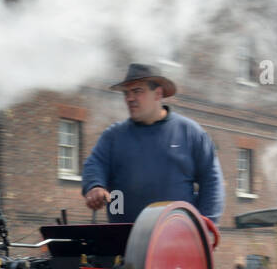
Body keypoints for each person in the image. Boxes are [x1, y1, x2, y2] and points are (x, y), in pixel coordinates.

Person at [82, 63, 225, 222]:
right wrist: (95, 186)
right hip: (123, 237)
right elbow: (94, 164)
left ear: (158, 94)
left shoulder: (191, 132)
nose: (129, 98)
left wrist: (206, 227)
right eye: (126, 93)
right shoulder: (113, 136)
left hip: (177, 237)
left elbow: (212, 181)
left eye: (137, 91)